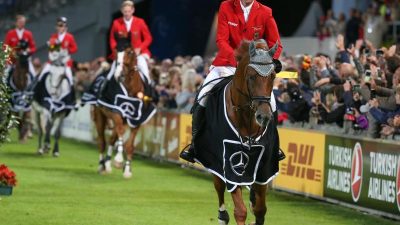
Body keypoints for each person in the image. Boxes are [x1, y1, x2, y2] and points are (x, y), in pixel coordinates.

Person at [180, 0, 285, 163]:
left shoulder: (265, 12)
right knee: (204, 95)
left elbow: (276, 44)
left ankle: (274, 144)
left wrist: (270, 60)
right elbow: (221, 40)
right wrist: (238, 59)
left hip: (255, 66)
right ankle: (195, 144)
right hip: (227, 63)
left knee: (270, 101)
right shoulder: (226, 6)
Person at [108, 0, 152, 82]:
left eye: (129, 11)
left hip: (138, 53)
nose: (127, 13)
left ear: (133, 10)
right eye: (125, 11)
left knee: (144, 69)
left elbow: (148, 38)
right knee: (111, 72)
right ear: (122, 11)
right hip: (122, 53)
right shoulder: (116, 23)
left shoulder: (140, 22)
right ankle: (103, 89)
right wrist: (115, 50)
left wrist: (140, 48)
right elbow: (112, 39)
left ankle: (149, 87)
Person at [39, 17, 78, 84]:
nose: (60, 28)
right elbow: (51, 49)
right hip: (53, 61)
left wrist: (67, 50)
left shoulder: (70, 37)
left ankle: (72, 93)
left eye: (62, 26)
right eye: (59, 26)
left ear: (65, 28)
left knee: (70, 78)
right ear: (56, 27)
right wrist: (55, 47)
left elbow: (75, 48)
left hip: (65, 62)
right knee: (43, 74)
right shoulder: (53, 36)